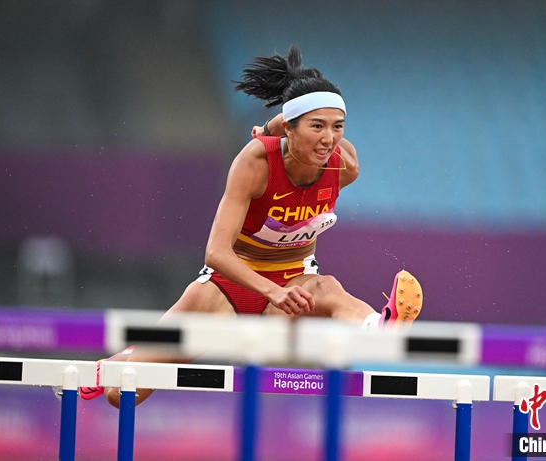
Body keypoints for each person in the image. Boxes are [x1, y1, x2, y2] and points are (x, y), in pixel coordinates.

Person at [80, 45, 423, 408]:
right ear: (290, 129)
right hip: (226, 288)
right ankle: (121, 363)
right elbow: (216, 252)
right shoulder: (255, 162)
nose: (329, 139)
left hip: (294, 283)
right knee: (124, 396)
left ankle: (379, 328)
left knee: (327, 288)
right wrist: (268, 290)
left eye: (338, 127)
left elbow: (306, 133)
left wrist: (280, 292)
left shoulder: (344, 167)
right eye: (317, 126)